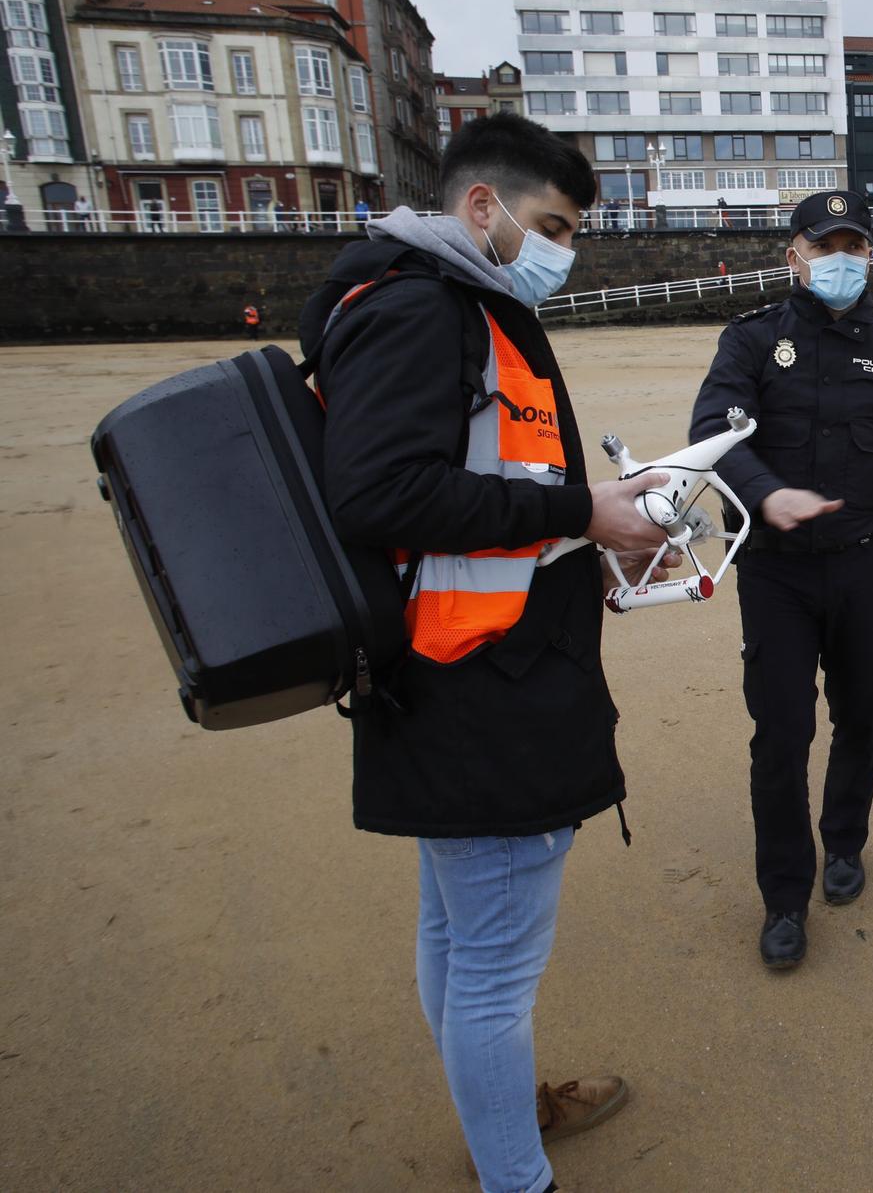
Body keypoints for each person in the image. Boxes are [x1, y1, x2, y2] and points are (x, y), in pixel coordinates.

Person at [298, 112, 676, 1193]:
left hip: (468, 669)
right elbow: (377, 490)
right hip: (478, 692)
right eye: (551, 223)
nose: (564, 248)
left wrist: (583, 542)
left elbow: (467, 494)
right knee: (493, 972)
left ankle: (499, 1113)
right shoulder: (423, 310)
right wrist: (587, 511)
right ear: (481, 207)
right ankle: (516, 1173)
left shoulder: (450, 303)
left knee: (459, 938)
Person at [688, 190, 873, 970]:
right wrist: (769, 496)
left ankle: (845, 844)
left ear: (871, 255)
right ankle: (783, 898)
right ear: (793, 255)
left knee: (863, 714)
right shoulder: (752, 343)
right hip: (774, 575)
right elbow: (710, 435)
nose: (841, 258)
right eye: (824, 244)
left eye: (855, 245)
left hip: (863, 564)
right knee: (781, 737)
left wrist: (861, 512)